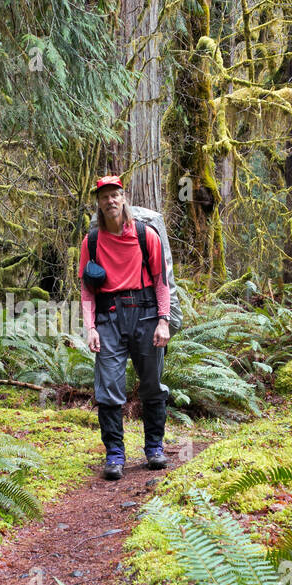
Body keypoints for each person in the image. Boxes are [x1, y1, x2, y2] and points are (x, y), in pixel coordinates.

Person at [79, 176, 170, 480]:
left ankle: (154, 449)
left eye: (115, 195)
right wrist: (90, 328)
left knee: (152, 386)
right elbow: (87, 290)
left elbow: (161, 281)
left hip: (146, 316)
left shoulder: (146, 236)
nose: (111, 201)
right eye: (105, 197)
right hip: (109, 320)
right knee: (108, 390)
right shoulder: (91, 242)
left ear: (123, 197)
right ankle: (115, 455)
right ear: (99, 203)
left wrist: (163, 320)